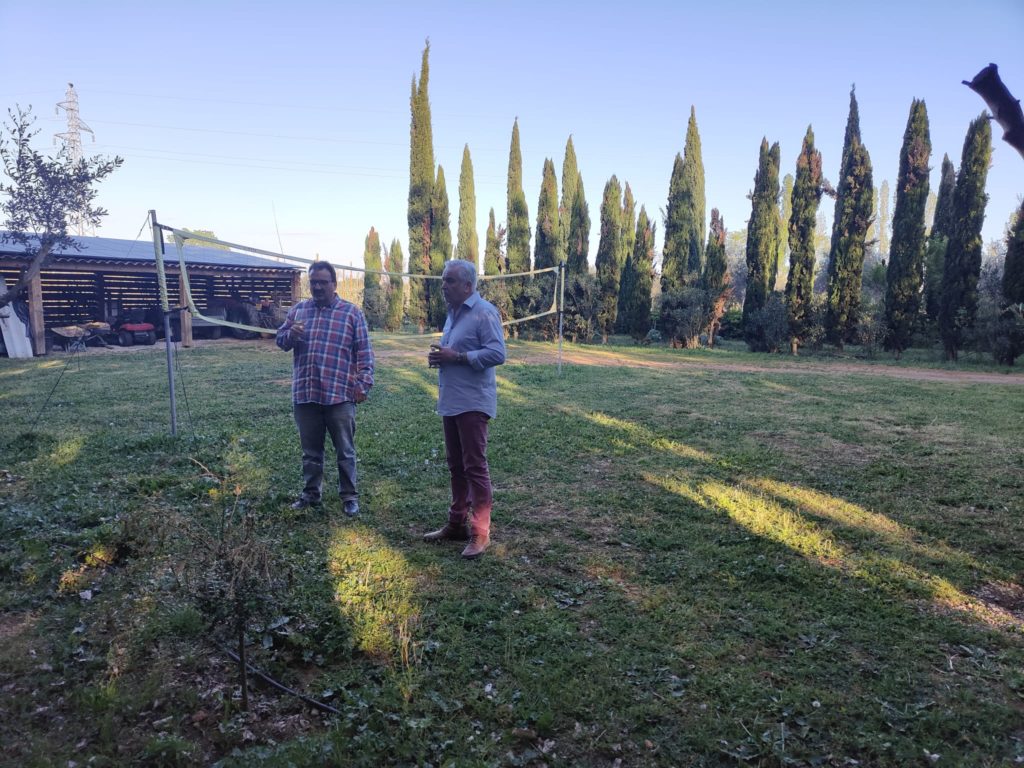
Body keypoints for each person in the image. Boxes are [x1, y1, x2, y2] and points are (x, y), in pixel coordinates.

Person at [276, 261, 374, 516]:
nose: (317, 287)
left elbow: (364, 353)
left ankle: (349, 496)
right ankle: (311, 494)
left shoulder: (351, 313)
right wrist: (290, 335)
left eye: (322, 282)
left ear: (334, 284)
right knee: (310, 452)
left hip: (339, 395)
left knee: (345, 451)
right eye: (313, 282)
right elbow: (280, 341)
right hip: (306, 393)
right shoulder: (298, 311)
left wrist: (363, 384)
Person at [425, 259, 506, 559]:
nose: (444, 286)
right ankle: (456, 523)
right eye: (443, 280)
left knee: (474, 466)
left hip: (473, 402)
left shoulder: (484, 312)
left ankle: (480, 532)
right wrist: (441, 358)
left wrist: (457, 357)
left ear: (468, 285)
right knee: (456, 466)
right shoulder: (453, 313)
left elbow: (497, 353)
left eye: (450, 281)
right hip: (452, 400)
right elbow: (454, 352)